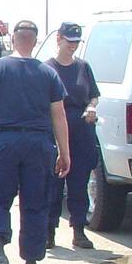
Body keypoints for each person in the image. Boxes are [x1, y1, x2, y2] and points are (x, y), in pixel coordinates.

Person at [0, 20, 70, 264]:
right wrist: (64, 153)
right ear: (34, 42)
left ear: (13, 39)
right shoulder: (48, 73)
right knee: (36, 203)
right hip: (39, 144)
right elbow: (59, 116)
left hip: (0, 140)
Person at [45, 22, 101, 249]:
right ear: (59, 39)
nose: (73, 46)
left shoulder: (83, 67)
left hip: (81, 128)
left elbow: (94, 94)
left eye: (77, 42)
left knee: (79, 182)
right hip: (55, 127)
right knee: (53, 184)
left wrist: (91, 106)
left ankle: (79, 230)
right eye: (70, 41)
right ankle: (49, 231)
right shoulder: (48, 68)